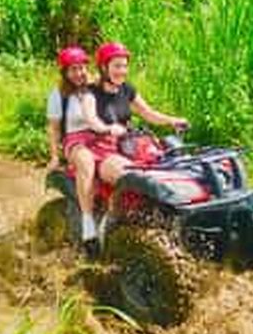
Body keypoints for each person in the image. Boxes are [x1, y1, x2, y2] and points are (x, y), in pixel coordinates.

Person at [46, 46, 124, 251]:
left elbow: (116, 102)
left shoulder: (95, 87)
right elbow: (54, 128)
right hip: (75, 141)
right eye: (73, 69)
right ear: (65, 72)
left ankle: (115, 213)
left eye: (81, 68)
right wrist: (54, 156)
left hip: (101, 138)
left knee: (125, 168)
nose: (79, 73)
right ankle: (88, 223)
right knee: (86, 162)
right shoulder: (58, 96)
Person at [91, 41, 188, 184]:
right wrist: (107, 130)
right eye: (117, 66)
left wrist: (172, 120)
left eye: (125, 66)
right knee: (132, 177)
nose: (123, 71)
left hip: (128, 143)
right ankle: (118, 205)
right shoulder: (90, 94)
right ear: (103, 68)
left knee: (171, 157)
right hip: (103, 149)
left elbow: (148, 113)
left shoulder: (126, 89)